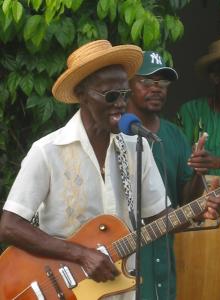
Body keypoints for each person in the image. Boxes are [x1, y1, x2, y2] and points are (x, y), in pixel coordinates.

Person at [0, 40, 172, 300]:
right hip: (61, 290)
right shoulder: (48, 151)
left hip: (120, 292)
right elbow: (9, 226)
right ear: (82, 94)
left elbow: (160, 216)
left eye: (124, 95)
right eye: (111, 95)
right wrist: (81, 255)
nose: (121, 104)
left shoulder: (138, 147)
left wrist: (204, 207)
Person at [127, 50, 220, 300]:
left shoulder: (174, 135)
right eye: (147, 81)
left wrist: (196, 173)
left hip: (165, 252)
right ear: (128, 85)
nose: (156, 88)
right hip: (126, 254)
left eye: (163, 82)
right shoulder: (114, 135)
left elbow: (185, 197)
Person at [176, 38, 220, 300]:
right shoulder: (191, 111)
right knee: (200, 287)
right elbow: (182, 163)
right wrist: (195, 162)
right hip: (201, 213)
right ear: (216, 77)